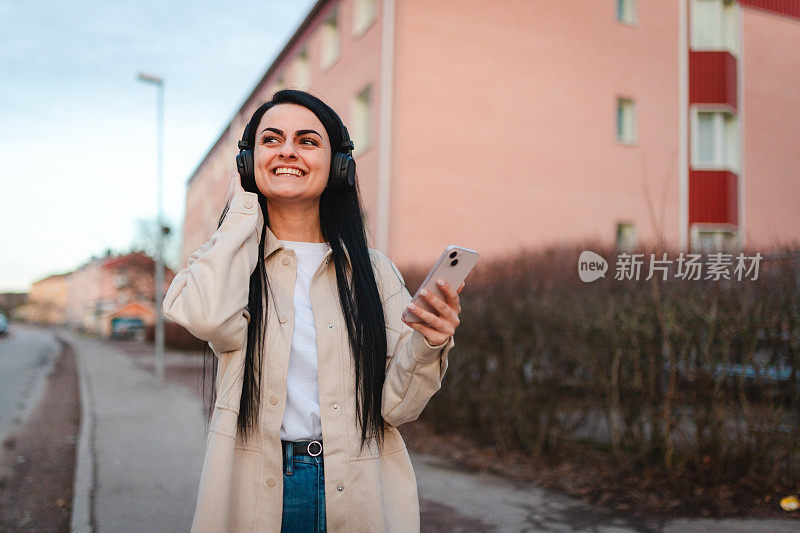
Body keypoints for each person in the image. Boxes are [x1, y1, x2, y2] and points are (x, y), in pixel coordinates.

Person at [163, 89, 463, 532]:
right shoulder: (226, 260)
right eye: (271, 140)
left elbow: (398, 409)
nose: (287, 150)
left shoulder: (374, 272)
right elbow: (208, 318)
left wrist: (429, 343)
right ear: (247, 162)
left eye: (306, 141)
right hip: (257, 491)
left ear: (338, 166)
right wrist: (244, 205)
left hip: (359, 489)